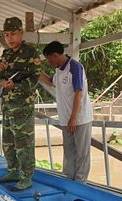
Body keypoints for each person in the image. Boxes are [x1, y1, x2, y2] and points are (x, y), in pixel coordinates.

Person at [0, 17, 41, 191]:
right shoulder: (7, 54)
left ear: (21, 33)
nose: (9, 38)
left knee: (23, 142)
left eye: (13, 34)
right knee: (8, 141)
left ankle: (26, 176)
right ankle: (13, 170)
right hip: (7, 105)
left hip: (22, 106)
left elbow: (35, 79)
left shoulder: (31, 53)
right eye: (6, 35)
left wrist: (16, 85)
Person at [40, 41, 93, 182]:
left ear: (55, 55)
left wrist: (74, 117)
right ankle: (69, 179)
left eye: (48, 58)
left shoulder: (75, 67)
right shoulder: (59, 70)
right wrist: (36, 70)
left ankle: (81, 181)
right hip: (65, 119)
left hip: (80, 118)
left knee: (82, 152)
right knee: (69, 152)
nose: (48, 62)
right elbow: (51, 82)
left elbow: (78, 92)